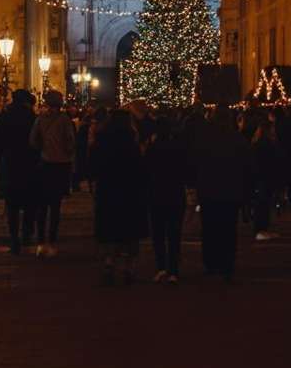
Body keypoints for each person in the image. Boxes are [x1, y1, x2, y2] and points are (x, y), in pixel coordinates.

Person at [192, 106, 252, 282]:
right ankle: (227, 263)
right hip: (230, 191)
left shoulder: (204, 138)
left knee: (210, 228)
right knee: (228, 228)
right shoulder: (237, 139)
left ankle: (211, 262)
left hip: (209, 189)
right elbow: (247, 166)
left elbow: (194, 162)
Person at [90, 109, 149, 285]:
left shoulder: (101, 141)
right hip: (130, 191)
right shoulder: (132, 143)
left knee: (109, 228)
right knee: (130, 231)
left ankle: (109, 262)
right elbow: (140, 169)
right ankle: (128, 267)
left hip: (107, 190)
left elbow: (92, 165)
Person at [0, 89, 39, 255]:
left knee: (12, 204)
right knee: (29, 202)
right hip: (29, 164)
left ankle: (13, 238)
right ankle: (26, 233)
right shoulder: (33, 118)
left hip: (10, 163)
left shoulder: (5, 118)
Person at [145, 112, 190, 284]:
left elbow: (146, 170)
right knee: (174, 233)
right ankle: (173, 270)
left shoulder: (153, 148)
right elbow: (186, 170)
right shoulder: (178, 148)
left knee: (158, 234)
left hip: (156, 193)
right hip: (175, 193)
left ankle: (161, 267)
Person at [30, 89, 76, 257]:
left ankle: (40, 242)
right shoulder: (65, 120)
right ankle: (52, 241)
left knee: (41, 206)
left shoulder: (40, 119)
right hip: (60, 166)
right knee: (55, 206)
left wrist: (44, 148)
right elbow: (71, 143)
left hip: (44, 164)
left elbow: (33, 141)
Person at [250, 115, 281, 241]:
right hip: (264, 177)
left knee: (264, 203)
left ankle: (263, 229)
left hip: (263, 177)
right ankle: (260, 229)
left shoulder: (258, 143)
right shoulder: (265, 144)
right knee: (262, 203)